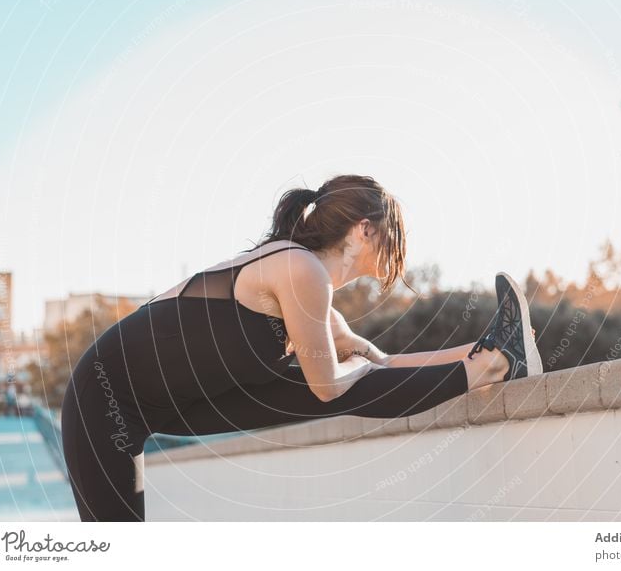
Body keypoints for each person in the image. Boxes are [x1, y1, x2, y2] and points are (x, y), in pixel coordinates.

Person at [61, 174, 542, 521]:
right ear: (364, 229)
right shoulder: (299, 270)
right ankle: (495, 362)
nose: (400, 245)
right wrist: (350, 367)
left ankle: (498, 356)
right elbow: (333, 385)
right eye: (393, 230)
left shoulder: (317, 303)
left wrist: (470, 350)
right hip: (103, 403)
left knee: (339, 382)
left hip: (173, 403)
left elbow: (386, 366)